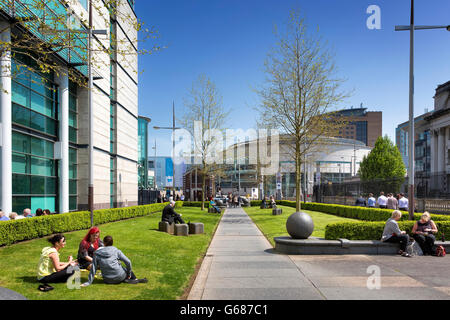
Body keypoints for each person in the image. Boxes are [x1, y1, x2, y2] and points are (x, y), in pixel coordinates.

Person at [81, 235, 147, 287]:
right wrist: (129, 273)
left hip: (107, 280)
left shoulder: (96, 253)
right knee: (123, 268)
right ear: (112, 243)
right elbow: (128, 262)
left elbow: (93, 268)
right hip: (120, 277)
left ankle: (129, 279)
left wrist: (89, 282)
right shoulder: (116, 251)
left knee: (120, 266)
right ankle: (133, 279)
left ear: (104, 243)